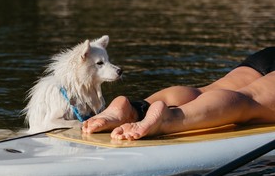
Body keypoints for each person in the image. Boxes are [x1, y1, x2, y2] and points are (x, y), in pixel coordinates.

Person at [82, 47, 275, 140]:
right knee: (251, 100)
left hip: (267, 56)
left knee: (205, 91)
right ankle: (167, 119)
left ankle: (134, 108)